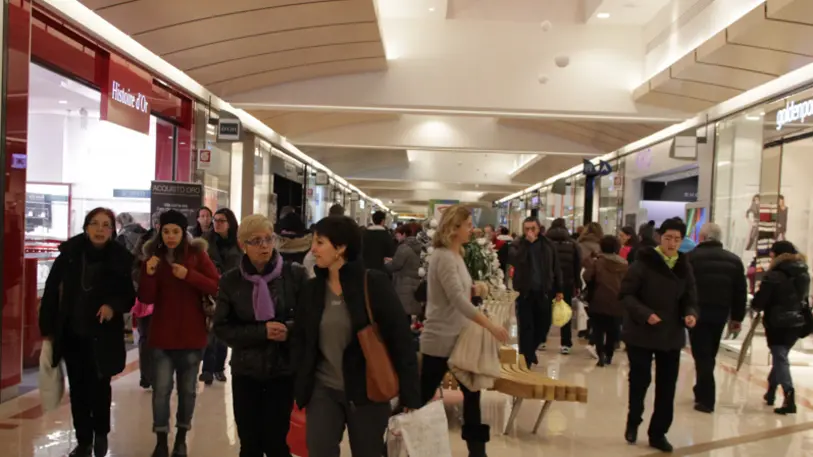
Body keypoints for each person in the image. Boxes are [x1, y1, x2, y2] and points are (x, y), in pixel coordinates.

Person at [293, 215, 420, 457]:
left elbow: (400, 340)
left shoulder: (372, 284)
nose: (313, 249)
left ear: (341, 248)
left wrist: (410, 395)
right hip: (323, 390)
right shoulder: (311, 290)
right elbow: (301, 339)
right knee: (319, 450)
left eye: (320, 242)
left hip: (368, 390)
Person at [39, 208, 136, 457]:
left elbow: (128, 295)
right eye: (95, 224)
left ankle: (101, 434)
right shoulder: (70, 255)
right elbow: (51, 292)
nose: (100, 230)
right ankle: (83, 441)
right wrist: (47, 329)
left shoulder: (120, 258)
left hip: (102, 335)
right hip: (72, 333)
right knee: (79, 389)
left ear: (113, 230)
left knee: (100, 388)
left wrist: (112, 306)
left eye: (106, 225)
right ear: (86, 227)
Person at [214, 214, 308, 457]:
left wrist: (288, 329)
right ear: (243, 245)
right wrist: (261, 332)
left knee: (276, 441)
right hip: (246, 371)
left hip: (282, 370)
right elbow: (222, 328)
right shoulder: (231, 281)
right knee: (250, 443)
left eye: (268, 239)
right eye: (256, 241)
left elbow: (310, 321)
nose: (264, 246)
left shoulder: (293, 276)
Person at [420, 205, 509, 457]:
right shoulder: (443, 256)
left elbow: (457, 293)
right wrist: (491, 326)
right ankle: (396, 434)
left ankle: (477, 452)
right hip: (440, 339)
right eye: (468, 225)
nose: (472, 230)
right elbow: (457, 301)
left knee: (472, 394)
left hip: (460, 338)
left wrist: (476, 288)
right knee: (422, 395)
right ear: (454, 228)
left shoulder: (456, 254)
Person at [139, 210, 220, 457]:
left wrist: (189, 275)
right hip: (163, 337)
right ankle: (161, 439)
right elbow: (145, 297)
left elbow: (216, 285)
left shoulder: (197, 254)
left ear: (184, 232)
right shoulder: (153, 257)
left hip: (192, 336)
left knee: (187, 391)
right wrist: (149, 273)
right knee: (161, 391)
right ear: (159, 233)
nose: (171, 236)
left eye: (176, 231)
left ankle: (181, 438)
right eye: (166, 231)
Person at [620, 218, 698, 453]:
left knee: (667, 386)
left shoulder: (684, 266)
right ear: (659, 238)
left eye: (677, 239)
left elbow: (690, 297)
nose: (672, 243)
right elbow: (626, 295)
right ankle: (634, 421)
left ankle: (658, 432)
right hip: (642, 331)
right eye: (668, 238)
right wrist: (645, 314)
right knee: (640, 381)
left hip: (670, 334)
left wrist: (690, 313)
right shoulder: (643, 263)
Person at [687, 223, 746, 413]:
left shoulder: (691, 258)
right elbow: (740, 292)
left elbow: (684, 287)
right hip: (720, 313)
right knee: (709, 352)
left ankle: (706, 398)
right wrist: (736, 318)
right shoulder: (734, 261)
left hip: (697, 312)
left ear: (702, 237)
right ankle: (701, 389)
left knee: (701, 353)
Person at [751, 241, 810, 415]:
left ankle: (789, 396)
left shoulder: (774, 275)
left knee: (780, 357)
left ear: (777, 255)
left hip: (777, 323)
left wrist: (755, 305)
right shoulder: (803, 272)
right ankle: (770, 391)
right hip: (797, 322)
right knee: (780, 356)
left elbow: (760, 301)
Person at [509, 216, 562, 366]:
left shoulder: (548, 245)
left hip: (544, 291)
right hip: (525, 292)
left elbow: (555, 267)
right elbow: (515, 260)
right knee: (526, 326)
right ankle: (526, 358)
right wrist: (527, 245)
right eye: (527, 229)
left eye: (533, 228)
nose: (530, 232)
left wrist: (559, 288)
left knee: (543, 325)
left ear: (539, 229)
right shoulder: (518, 244)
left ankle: (530, 350)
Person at [200, 208, 242, 385]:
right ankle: (208, 369)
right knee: (210, 331)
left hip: (231, 291)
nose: (217, 223)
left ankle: (219, 368)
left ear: (230, 223)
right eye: (215, 220)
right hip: (210, 291)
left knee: (223, 331)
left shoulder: (239, 243)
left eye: (221, 220)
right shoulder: (205, 241)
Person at [583, 235, 628, 367]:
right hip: (618, 302)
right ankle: (609, 354)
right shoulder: (624, 265)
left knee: (598, 329)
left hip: (598, 300)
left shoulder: (597, 262)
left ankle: (600, 354)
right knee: (613, 330)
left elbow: (587, 276)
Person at [545, 218, 581, 354]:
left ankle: (542, 340)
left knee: (546, 310)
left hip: (548, 282)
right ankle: (566, 343)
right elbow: (577, 265)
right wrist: (577, 283)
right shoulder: (573, 244)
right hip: (567, 282)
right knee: (565, 312)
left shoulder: (546, 243)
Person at [386, 224, 423, 318]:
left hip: (403, 284)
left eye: (398, 234)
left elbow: (395, 265)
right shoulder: (418, 246)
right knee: (409, 314)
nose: (396, 237)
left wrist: (385, 264)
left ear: (404, 234)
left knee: (402, 314)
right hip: (414, 282)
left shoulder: (403, 247)